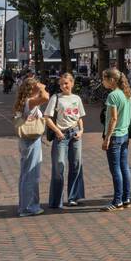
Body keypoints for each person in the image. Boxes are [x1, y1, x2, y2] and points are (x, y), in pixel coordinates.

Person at [44, 72, 85, 209]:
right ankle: (56, 200)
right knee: (59, 167)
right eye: (61, 84)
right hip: (61, 135)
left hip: (75, 134)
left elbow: (79, 117)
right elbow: (47, 118)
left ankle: (73, 197)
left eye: (66, 83)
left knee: (76, 165)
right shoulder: (56, 98)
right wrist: (57, 131)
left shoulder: (77, 98)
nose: (63, 86)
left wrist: (81, 131)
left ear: (72, 83)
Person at [12, 77, 49, 216]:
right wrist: (42, 87)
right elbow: (46, 97)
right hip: (31, 140)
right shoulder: (30, 102)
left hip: (26, 140)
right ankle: (28, 207)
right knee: (31, 173)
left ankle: (27, 204)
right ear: (32, 88)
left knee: (26, 172)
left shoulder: (23, 102)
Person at [101, 68, 131, 211]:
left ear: (112, 80)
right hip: (124, 134)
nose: (103, 82)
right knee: (124, 167)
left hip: (115, 136)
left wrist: (107, 138)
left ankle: (117, 201)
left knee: (116, 169)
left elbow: (113, 118)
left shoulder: (112, 96)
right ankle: (126, 198)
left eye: (104, 79)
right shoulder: (126, 94)